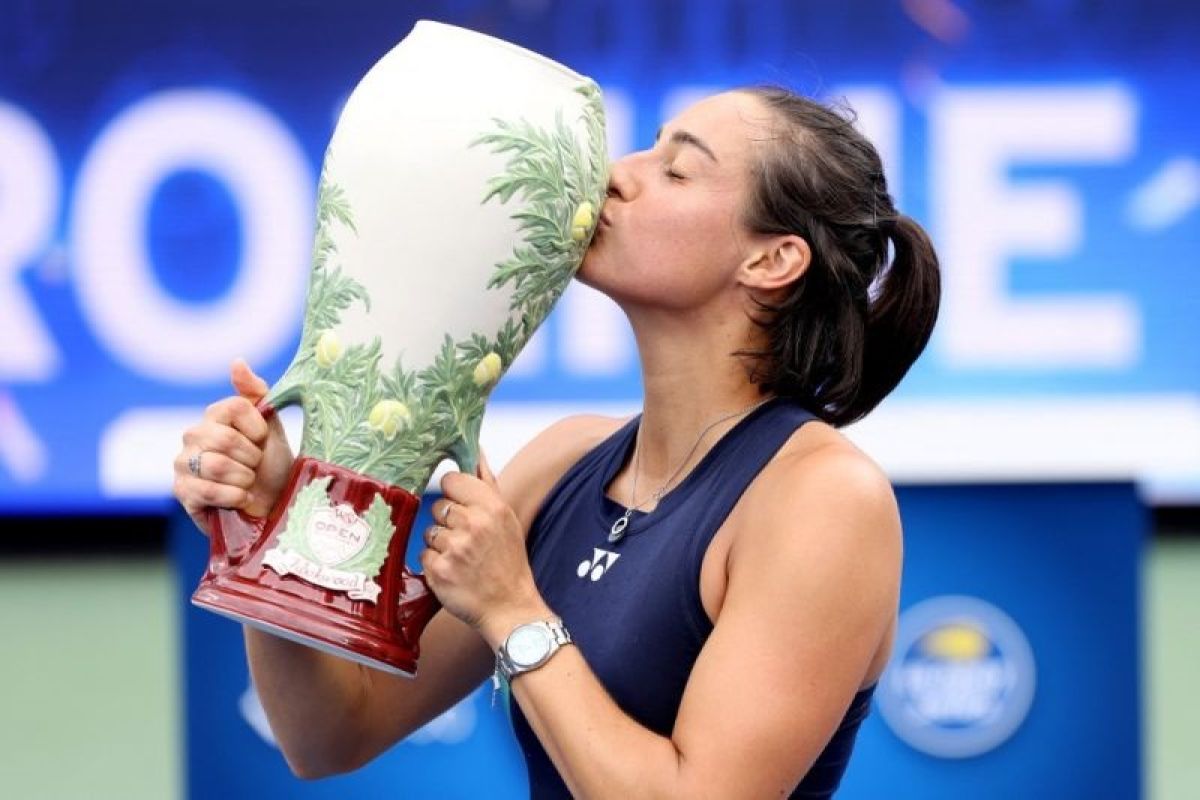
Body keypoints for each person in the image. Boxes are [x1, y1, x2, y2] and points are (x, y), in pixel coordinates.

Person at [174, 86, 940, 798]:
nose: (615, 176)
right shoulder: (563, 459)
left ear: (771, 260)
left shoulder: (824, 498)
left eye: (675, 170)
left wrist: (513, 610)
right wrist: (271, 519)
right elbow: (331, 734)